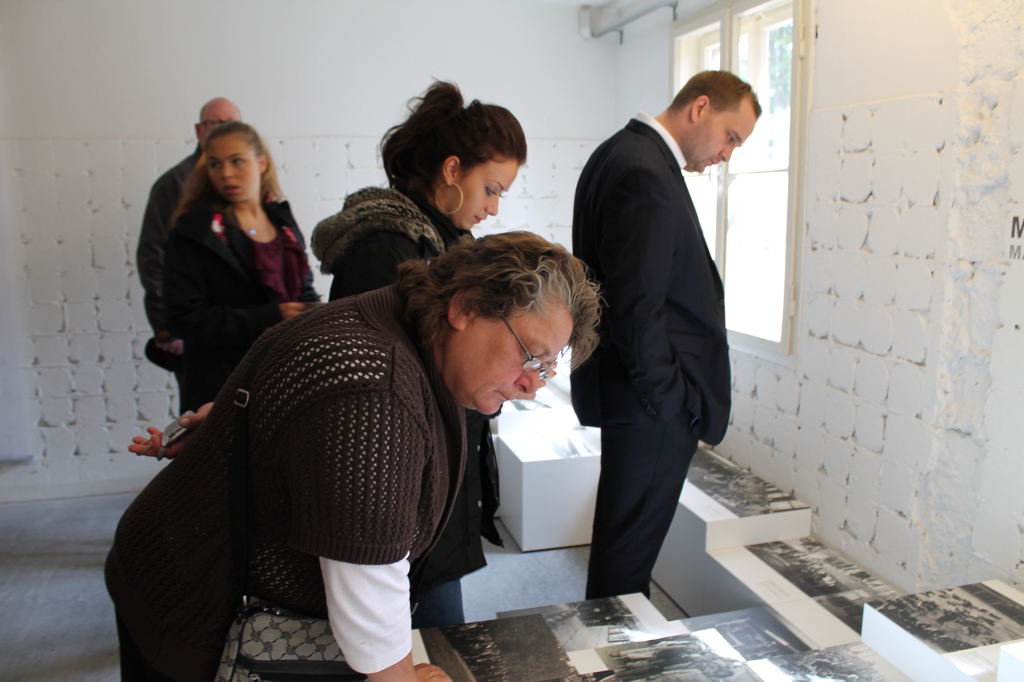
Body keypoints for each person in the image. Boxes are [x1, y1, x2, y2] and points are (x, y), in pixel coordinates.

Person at [108, 231, 602, 682]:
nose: (533, 386)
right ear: (466, 307)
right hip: (188, 600)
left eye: (546, 369)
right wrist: (402, 678)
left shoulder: (404, 323)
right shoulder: (375, 388)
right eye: (530, 357)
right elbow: (368, 577)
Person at [310, 81, 527, 628]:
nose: (493, 208)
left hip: (438, 473)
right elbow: (372, 387)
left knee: (435, 625)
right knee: (420, 629)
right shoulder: (386, 249)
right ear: (452, 170)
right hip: (404, 483)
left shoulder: (451, 244)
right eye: (490, 189)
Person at [570, 70, 761, 600]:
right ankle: (615, 645)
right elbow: (637, 310)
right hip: (650, 404)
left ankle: (614, 638)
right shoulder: (644, 172)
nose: (727, 154)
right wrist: (671, 401)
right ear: (700, 108)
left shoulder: (620, 152)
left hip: (637, 396)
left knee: (623, 551)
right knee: (626, 562)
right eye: (730, 137)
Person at [163, 121, 319, 412]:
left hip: (285, 376)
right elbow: (184, 318)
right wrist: (269, 316)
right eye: (215, 164)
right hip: (221, 386)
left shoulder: (282, 221)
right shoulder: (195, 231)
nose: (226, 173)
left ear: (261, 163)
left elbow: (303, 288)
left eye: (236, 161)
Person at [136, 97, 242, 390]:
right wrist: (165, 326)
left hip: (238, 331)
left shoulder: (247, 184)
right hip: (197, 332)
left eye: (230, 124)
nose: (222, 130)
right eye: (213, 123)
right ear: (199, 130)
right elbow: (153, 256)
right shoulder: (176, 183)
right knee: (203, 411)